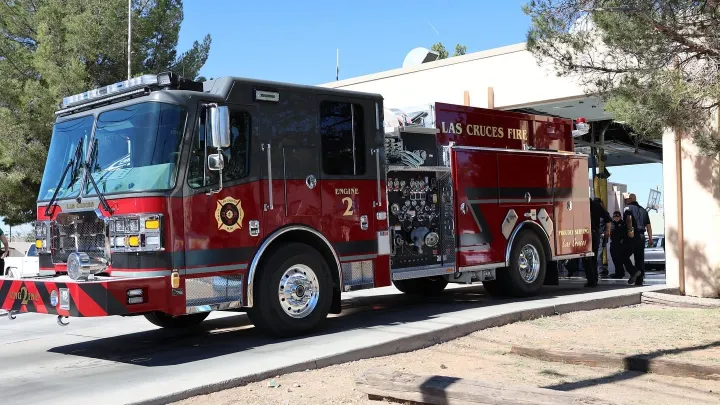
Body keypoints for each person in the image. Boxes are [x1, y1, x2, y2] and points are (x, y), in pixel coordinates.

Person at [624, 193, 652, 285]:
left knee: (622, 255)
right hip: (642, 237)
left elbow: (629, 219)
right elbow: (648, 226)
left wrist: (630, 232)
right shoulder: (644, 210)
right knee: (639, 258)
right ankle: (639, 280)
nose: (625, 201)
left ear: (631, 199)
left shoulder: (628, 208)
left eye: (626, 199)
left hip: (633, 235)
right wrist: (650, 238)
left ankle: (633, 271)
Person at [583, 197, 612, 287]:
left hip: (585, 234)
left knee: (586, 258)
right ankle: (594, 280)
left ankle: (591, 280)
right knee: (594, 258)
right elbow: (608, 218)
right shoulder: (597, 206)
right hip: (595, 234)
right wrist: (608, 231)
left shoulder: (581, 204)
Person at [609, 210, 633, 278]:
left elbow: (626, 234)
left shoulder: (623, 224)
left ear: (620, 217)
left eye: (617, 216)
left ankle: (620, 273)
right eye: (614, 216)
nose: (616, 217)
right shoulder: (612, 223)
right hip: (613, 243)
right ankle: (618, 273)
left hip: (620, 244)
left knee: (620, 260)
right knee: (615, 260)